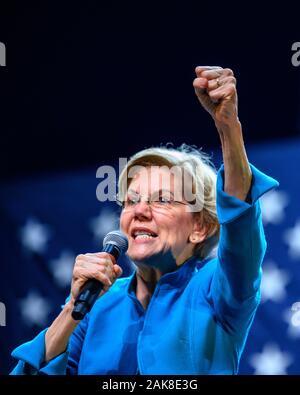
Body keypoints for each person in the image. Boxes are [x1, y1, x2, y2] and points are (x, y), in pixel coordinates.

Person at [11, 66, 278, 375]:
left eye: (162, 200)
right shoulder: (97, 304)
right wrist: (72, 308)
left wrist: (227, 126)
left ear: (200, 227)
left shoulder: (219, 288)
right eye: (131, 200)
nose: (139, 210)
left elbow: (240, 222)